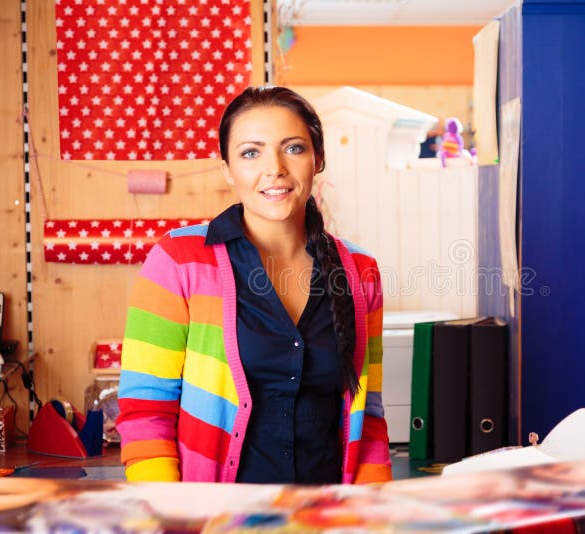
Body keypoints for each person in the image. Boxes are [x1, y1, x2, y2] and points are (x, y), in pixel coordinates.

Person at [116, 86, 392, 485]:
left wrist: (374, 514)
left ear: (319, 159)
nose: (275, 167)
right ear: (227, 168)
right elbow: (145, 411)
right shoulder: (179, 260)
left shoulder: (360, 271)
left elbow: (369, 419)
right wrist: (168, 513)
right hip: (213, 521)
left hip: (330, 517)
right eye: (251, 153)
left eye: (293, 148)